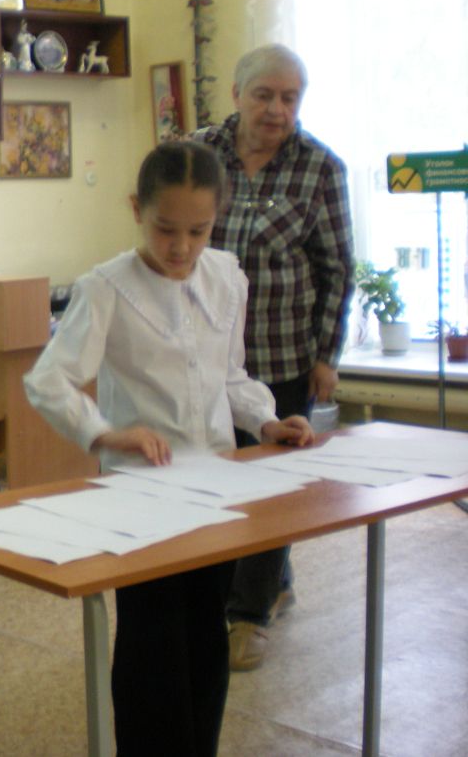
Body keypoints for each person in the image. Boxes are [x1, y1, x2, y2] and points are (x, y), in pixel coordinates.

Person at [24, 141, 314, 755]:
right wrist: (106, 433)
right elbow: (47, 381)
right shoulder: (107, 287)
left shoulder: (226, 278)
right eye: (165, 229)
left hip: (215, 489)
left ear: (217, 218)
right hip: (141, 494)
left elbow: (230, 376)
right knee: (154, 642)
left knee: (206, 634)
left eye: (198, 231)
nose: (181, 247)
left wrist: (266, 423)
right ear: (137, 210)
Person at [193, 44, 355, 672]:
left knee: (273, 487)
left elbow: (337, 269)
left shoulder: (321, 167)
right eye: (264, 95)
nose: (277, 110)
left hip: (284, 351)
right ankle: (275, 580)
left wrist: (326, 356)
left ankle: (248, 615)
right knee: (227, 478)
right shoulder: (198, 153)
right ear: (237, 94)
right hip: (209, 353)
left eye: (290, 98)